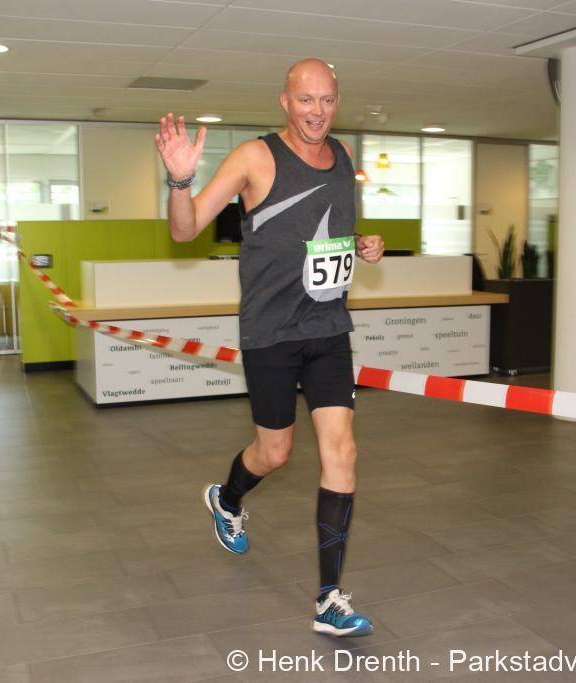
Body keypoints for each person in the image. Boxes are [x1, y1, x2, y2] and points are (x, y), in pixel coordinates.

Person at [155, 58, 384, 637]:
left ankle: (329, 599)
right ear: (285, 101)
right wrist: (180, 182)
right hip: (271, 333)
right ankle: (228, 498)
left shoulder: (344, 156)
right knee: (275, 452)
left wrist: (362, 243)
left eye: (327, 100)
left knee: (342, 452)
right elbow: (185, 229)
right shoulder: (255, 157)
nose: (317, 111)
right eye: (306, 100)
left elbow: (322, 229)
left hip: (328, 328)